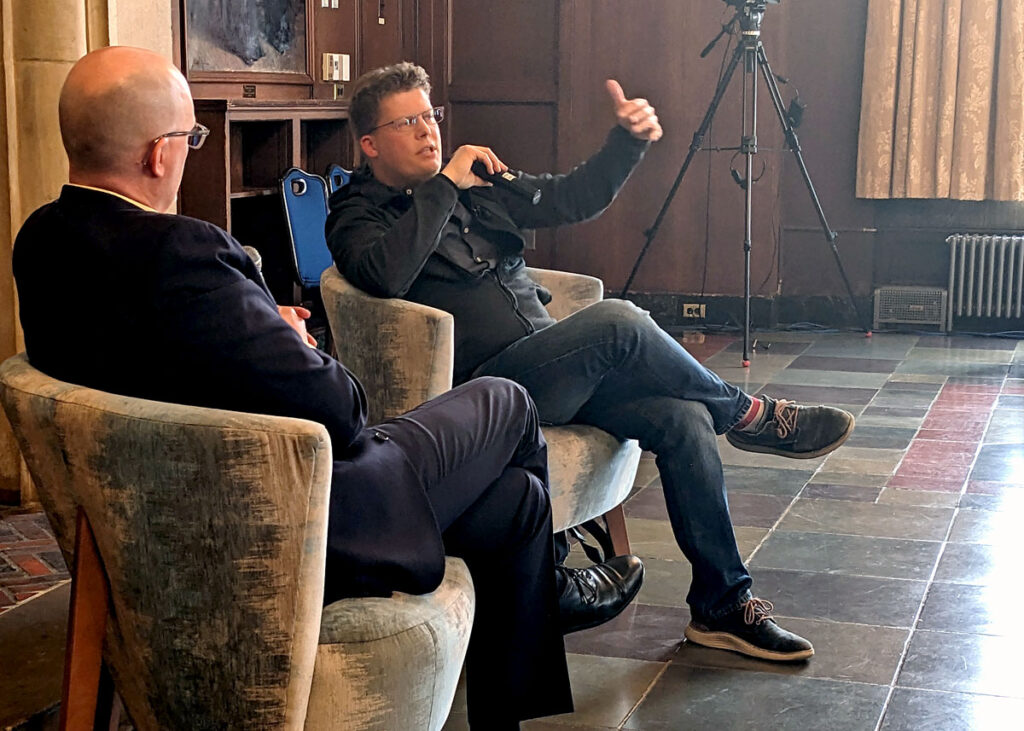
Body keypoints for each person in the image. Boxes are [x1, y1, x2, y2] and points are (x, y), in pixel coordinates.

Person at [12, 47, 645, 730]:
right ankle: (553, 587)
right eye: (192, 137)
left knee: (516, 501)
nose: (193, 151)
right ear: (157, 156)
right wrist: (290, 339)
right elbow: (343, 410)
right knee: (506, 400)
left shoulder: (41, 242)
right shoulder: (185, 254)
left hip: (187, 512)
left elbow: (156, 351)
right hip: (304, 513)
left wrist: (253, 321)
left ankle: (505, 713)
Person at [326, 62, 858, 663]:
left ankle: (722, 606)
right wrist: (443, 188)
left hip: (554, 364)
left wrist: (627, 140)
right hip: (489, 397)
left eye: (431, 116)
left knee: (683, 419)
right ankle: (752, 416)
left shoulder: (481, 187)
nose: (428, 131)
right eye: (408, 122)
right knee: (621, 318)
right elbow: (381, 273)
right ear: (370, 143)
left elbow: (570, 198)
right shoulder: (356, 212)